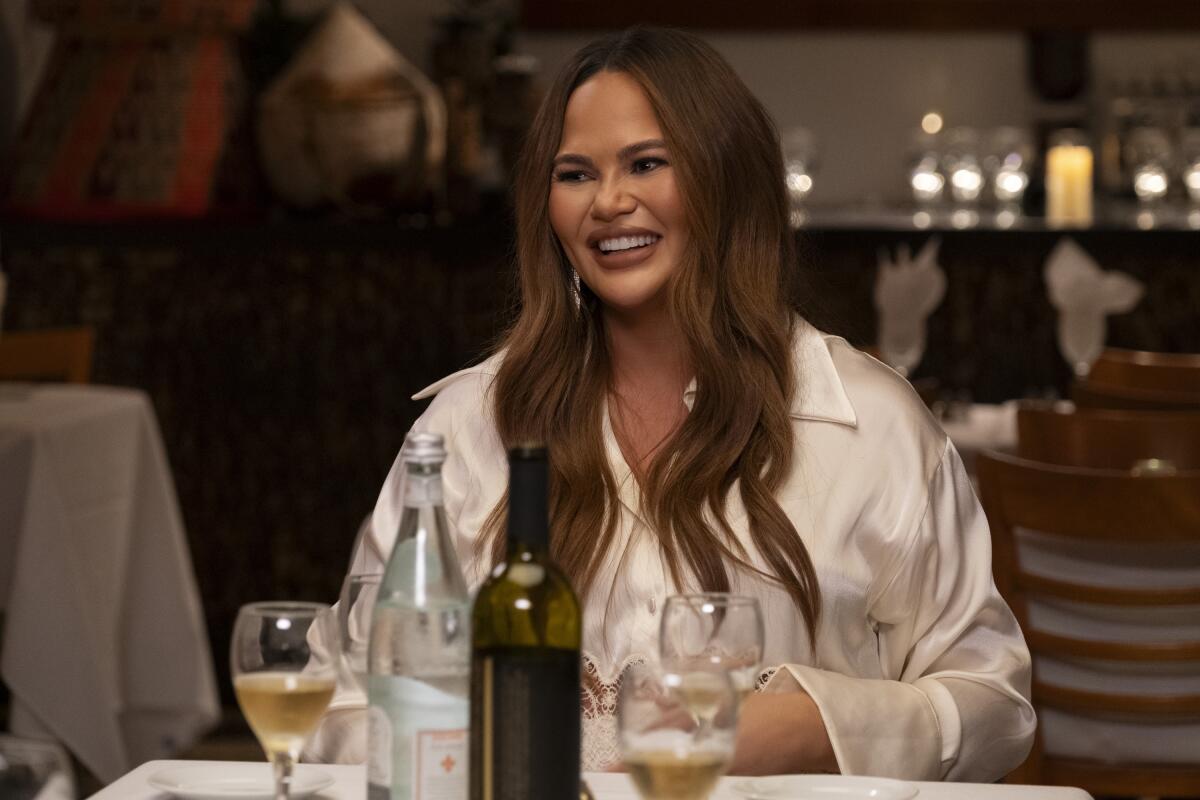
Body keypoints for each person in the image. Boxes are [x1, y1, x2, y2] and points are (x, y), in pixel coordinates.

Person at [306, 26, 1036, 781]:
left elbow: (994, 700)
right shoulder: (465, 427)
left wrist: (815, 726)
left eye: (646, 164)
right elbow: (344, 699)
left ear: (727, 178)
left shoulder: (870, 425)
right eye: (575, 174)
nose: (609, 202)